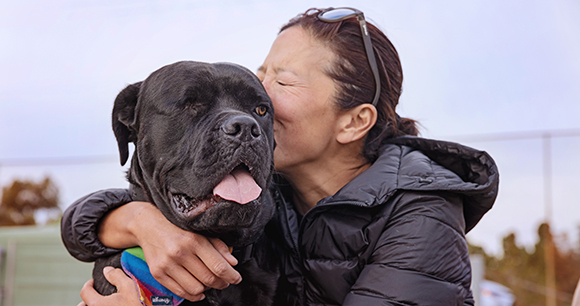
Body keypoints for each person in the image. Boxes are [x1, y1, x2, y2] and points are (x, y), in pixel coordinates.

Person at [62, 7, 499, 306]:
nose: (256, 100)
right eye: (260, 75)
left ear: (353, 122)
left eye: (283, 82)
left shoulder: (421, 220)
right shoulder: (268, 189)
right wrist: (137, 221)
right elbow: (78, 223)